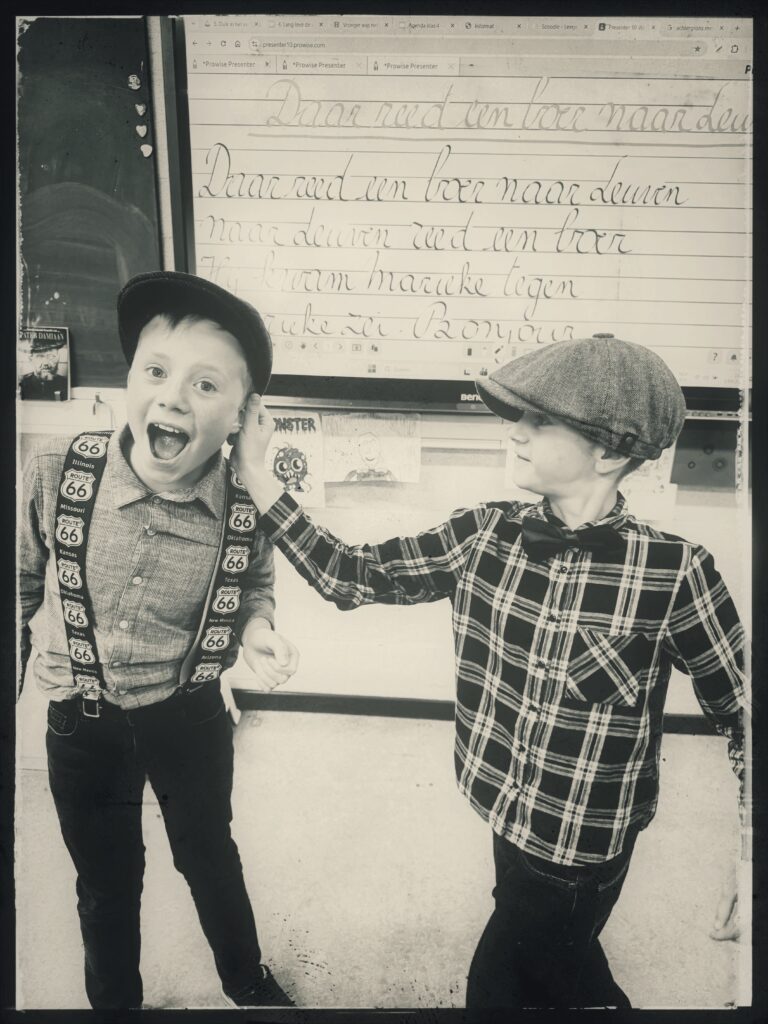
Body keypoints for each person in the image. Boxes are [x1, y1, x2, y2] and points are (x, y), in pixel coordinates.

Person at [232, 333, 749, 1009]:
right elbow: (348, 573)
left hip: (581, 845)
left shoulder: (674, 571)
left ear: (610, 451)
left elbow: (744, 711)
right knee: (563, 974)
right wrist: (257, 473)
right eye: (519, 416)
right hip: (501, 806)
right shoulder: (485, 534)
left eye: (541, 420)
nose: (517, 433)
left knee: (500, 989)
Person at [19, 271, 300, 1010]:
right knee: (105, 881)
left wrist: (258, 628)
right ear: (130, 379)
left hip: (188, 713)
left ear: (243, 415)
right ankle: (116, 1003)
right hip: (81, 719)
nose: (173, 398)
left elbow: (255, 583)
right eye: (156, 371)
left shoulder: (244, 506)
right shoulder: (56, 470)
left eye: (206, 385)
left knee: (209, 857)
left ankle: (246, 980)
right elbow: (20, 583)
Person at [19, 335, 69, 400]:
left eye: (51, 356)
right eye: (40, 356)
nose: (45, 363)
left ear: (58, 358)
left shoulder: (65, 384)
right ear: (31, 359)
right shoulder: (22, 384)